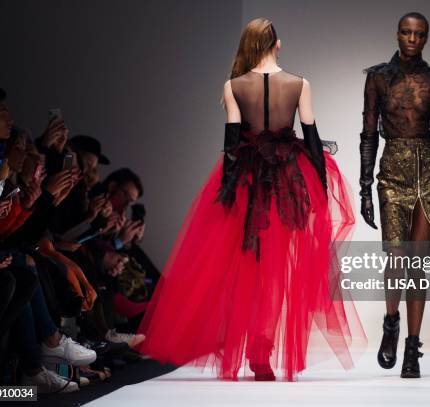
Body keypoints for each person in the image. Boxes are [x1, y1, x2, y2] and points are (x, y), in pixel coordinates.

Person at [137, 18, 366, 381]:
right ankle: (262, 350)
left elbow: (231, 145)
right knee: (278, 270)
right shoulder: (299, 84)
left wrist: (226, 193)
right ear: (277, 44)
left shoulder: (233, 86)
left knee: (247, 267)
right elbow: (311, 139)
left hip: (246, 181)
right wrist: (320, 190)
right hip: (289, 180)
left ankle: (244, 344)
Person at [359, 12, 430, 378]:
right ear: (397, 34)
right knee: (395, 255)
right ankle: (391, 322)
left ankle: (412, 350)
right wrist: (365, 187)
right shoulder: (378, 78)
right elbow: (368, 133)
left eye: (418, 33)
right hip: (392, 171)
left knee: (417, 262)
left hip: (429, 170)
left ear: (426, 38)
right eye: (406, 31)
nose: (412, 39)